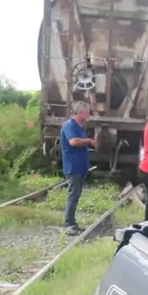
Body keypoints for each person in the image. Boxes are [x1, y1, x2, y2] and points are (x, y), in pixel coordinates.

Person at [60, 101, 95, 235]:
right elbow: (73, 142)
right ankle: (69, 224)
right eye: (87, 112)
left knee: (76, 195)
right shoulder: (69, 125)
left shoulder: (79, 127)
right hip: (72, 166)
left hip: (80, 166)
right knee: (73, 195)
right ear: (80, 112)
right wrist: (90, 141)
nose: (88, 115)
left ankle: (72, 223)